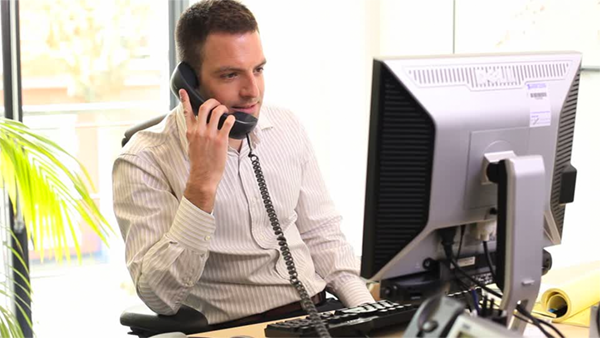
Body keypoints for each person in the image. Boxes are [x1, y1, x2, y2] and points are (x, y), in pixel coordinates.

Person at [112, 0, 374, 326]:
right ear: (189, 84)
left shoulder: (287, 126)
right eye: (231, 74)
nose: (253, 91)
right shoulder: (143, 160)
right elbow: (160, 296)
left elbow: (323, 235)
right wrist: (202, 183)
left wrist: (368, 313)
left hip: (321, 315)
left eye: (259, 70)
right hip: (237, 328)